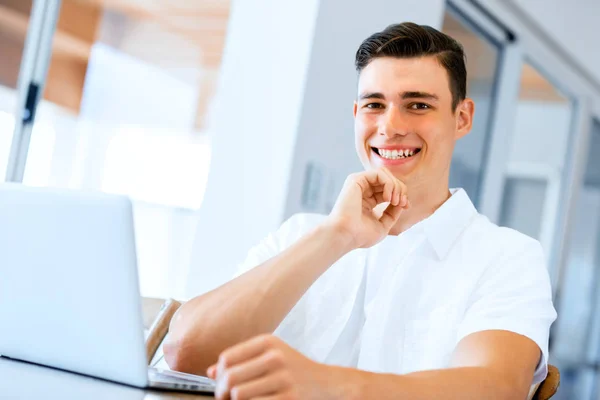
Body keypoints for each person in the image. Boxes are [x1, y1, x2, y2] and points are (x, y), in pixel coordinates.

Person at [164, 22, 557, 399]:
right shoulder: (300, 234)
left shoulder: (508, 256)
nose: (390, 126)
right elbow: (186, 353)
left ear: (462, 117)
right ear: (356, 116)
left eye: (418, 105)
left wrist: (327, 387)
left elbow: (494, 388)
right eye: (374, 104)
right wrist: (335, 236)